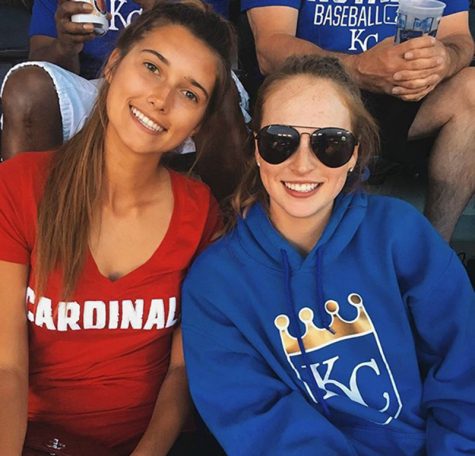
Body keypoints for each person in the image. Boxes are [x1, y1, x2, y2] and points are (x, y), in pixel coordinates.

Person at [181, 56, 475, 455]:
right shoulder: (214, 284)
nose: (302, 165)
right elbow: (256, 418)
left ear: (355, 153)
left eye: (330, 144)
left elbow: (463, 367)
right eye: (279, 142)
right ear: (256, 148)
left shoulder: (401, 234)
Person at [0, 3, 243, 454]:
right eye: (151, 67)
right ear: (112, 64)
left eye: (190, 94)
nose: (161, 98)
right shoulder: (20, 186)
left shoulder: (199, 211)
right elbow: (6, 367)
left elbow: (180, 371)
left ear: (200, 122)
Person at [240, 0, 475, 242]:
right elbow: (269, 48)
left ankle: (434, 249)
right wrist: (358, 68)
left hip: (405, 97)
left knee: (472, 88)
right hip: (315, 93)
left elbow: (459, 38)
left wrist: (444, 59)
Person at [0, 0, 244, 161]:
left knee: (217, 96)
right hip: (99, 83)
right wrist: (66, 45)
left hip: (184, 79)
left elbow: (205, 38)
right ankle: (30, 226)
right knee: (29, 89)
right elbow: (41, 61)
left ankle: (231, 225)